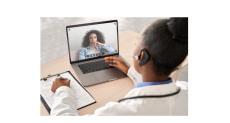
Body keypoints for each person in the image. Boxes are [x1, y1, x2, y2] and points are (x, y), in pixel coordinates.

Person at [51, 17, 188, 116]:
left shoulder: (120, 113)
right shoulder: (186, 91)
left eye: (136, 43)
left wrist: (62, 91)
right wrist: (130, 70)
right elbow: (156, 88)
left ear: (142, 56)